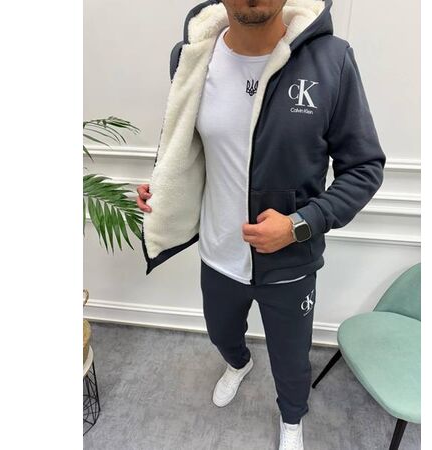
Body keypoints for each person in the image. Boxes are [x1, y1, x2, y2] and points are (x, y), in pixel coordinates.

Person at [136, 1, 386, 448]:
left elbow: (364, 168)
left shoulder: (332, 59)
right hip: (217, 254)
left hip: (290, 261)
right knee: (221, 333)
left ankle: (292, 419)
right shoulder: (191, 56)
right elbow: (185, 145)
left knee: (291, 359)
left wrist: (299, 225)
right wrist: (164, 188)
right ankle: (239, 363)